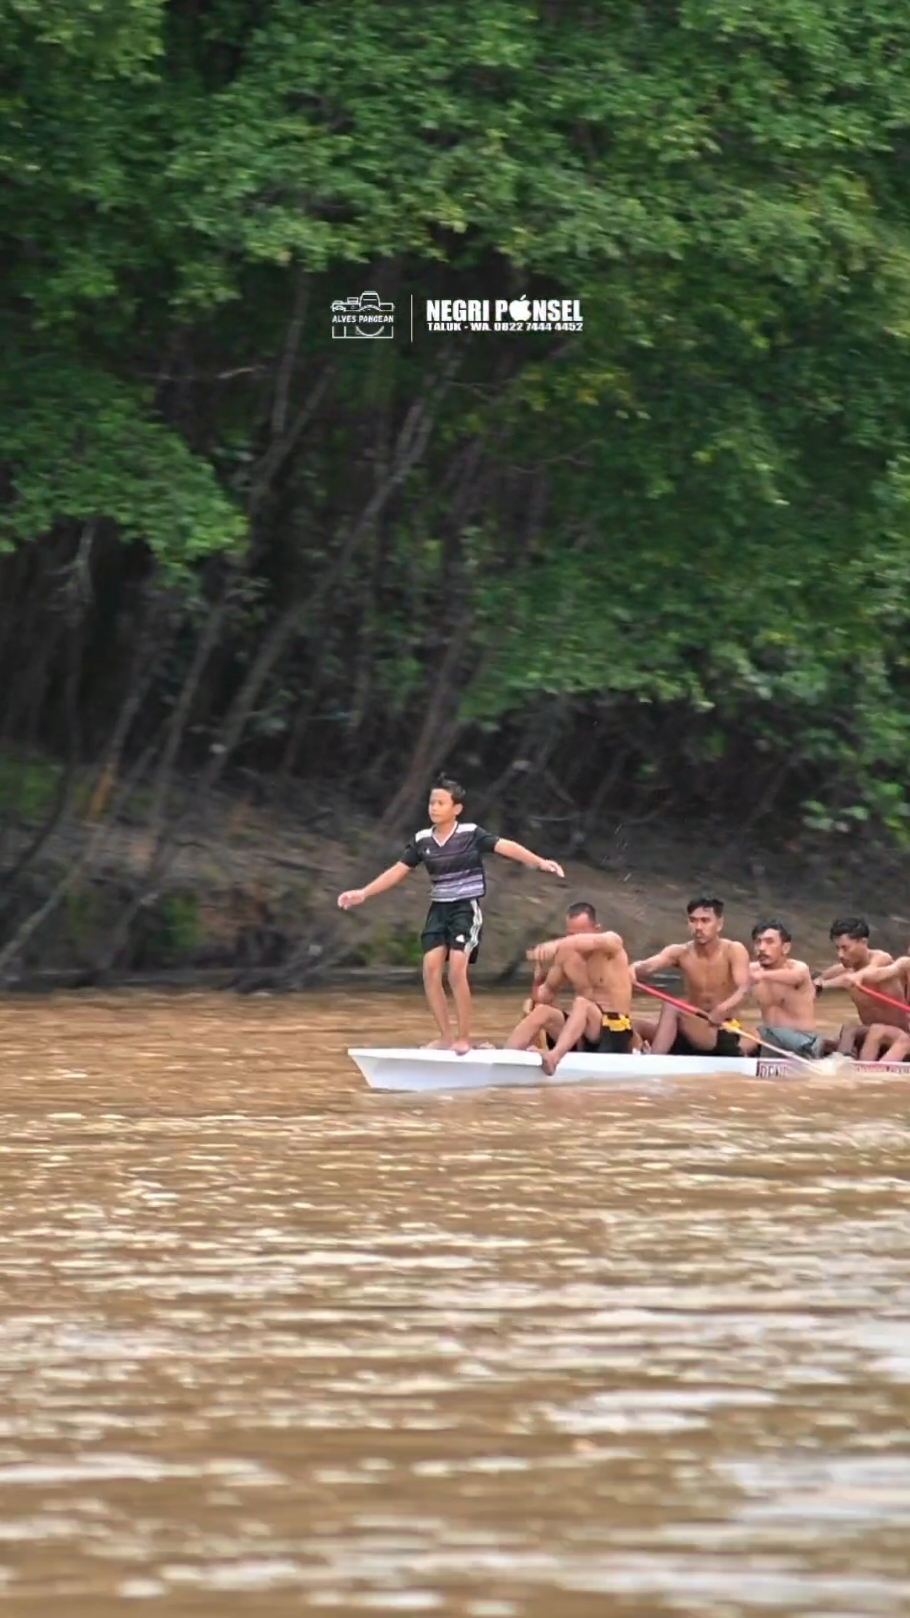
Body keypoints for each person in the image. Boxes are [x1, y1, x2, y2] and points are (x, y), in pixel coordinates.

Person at [337, 774, 564, 1053]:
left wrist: (540, 862)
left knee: (457, 970)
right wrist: (364, 892)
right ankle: (445, 1037)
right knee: (430, 970)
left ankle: (463, 1038)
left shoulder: (470, 834)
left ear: (456, 808)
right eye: (432, 803)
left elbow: (506, 847)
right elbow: (398, 870)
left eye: (441, 803)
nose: (434, 808)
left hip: (464, 909)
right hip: (438, 910)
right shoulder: (422, 840)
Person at [505, 901, 636, 1075]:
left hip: (614, 1032)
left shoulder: (611, 943)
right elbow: (546, 994)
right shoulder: (567, 956)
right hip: (581, 1034)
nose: (574, 940)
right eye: (571, 934)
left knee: (582, 1003)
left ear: (596, 929)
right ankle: (505, 1055)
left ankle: (554, 1057)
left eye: (580, 934)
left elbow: (594, 942)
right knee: (541, 1011)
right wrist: (538, 983)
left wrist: (557, 945)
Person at [631, 896, 752, 1056]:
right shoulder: (680, 952)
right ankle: (642, 1055)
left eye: (705, 921)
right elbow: (647, 966)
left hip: (721, 1029)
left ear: (719, 924)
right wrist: (632, 969)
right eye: (693, 921)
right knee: (632, 1025)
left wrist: (723, 1008)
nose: (698, 927)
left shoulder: (733, 950)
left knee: (672, 1005)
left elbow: (744, 989)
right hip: (692, 1024)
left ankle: (655, 1058)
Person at [813, 917, 908, 1061]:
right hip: (872, 1033)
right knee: (848, 1030)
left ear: (863, 943)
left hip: (899, 1035)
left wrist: (826, 984)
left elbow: (871, 973)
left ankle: (863, 1075)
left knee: (877, 1031)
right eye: (838, 948)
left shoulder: (882, 958)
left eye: (845, 948)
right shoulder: (842, 970)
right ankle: (840, 1064)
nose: (840, 955)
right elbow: (813, 981)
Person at [741, 919, 825, 1059]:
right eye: (758, 942)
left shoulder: (799, 968)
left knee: (756, 1031)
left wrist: (760, 975)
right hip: (771, 1041)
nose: (761, 948)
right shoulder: (751, 970)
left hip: (804, 1042)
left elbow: (795, 977)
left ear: (785, 948)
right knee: (739, 1033)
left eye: (769, 942)